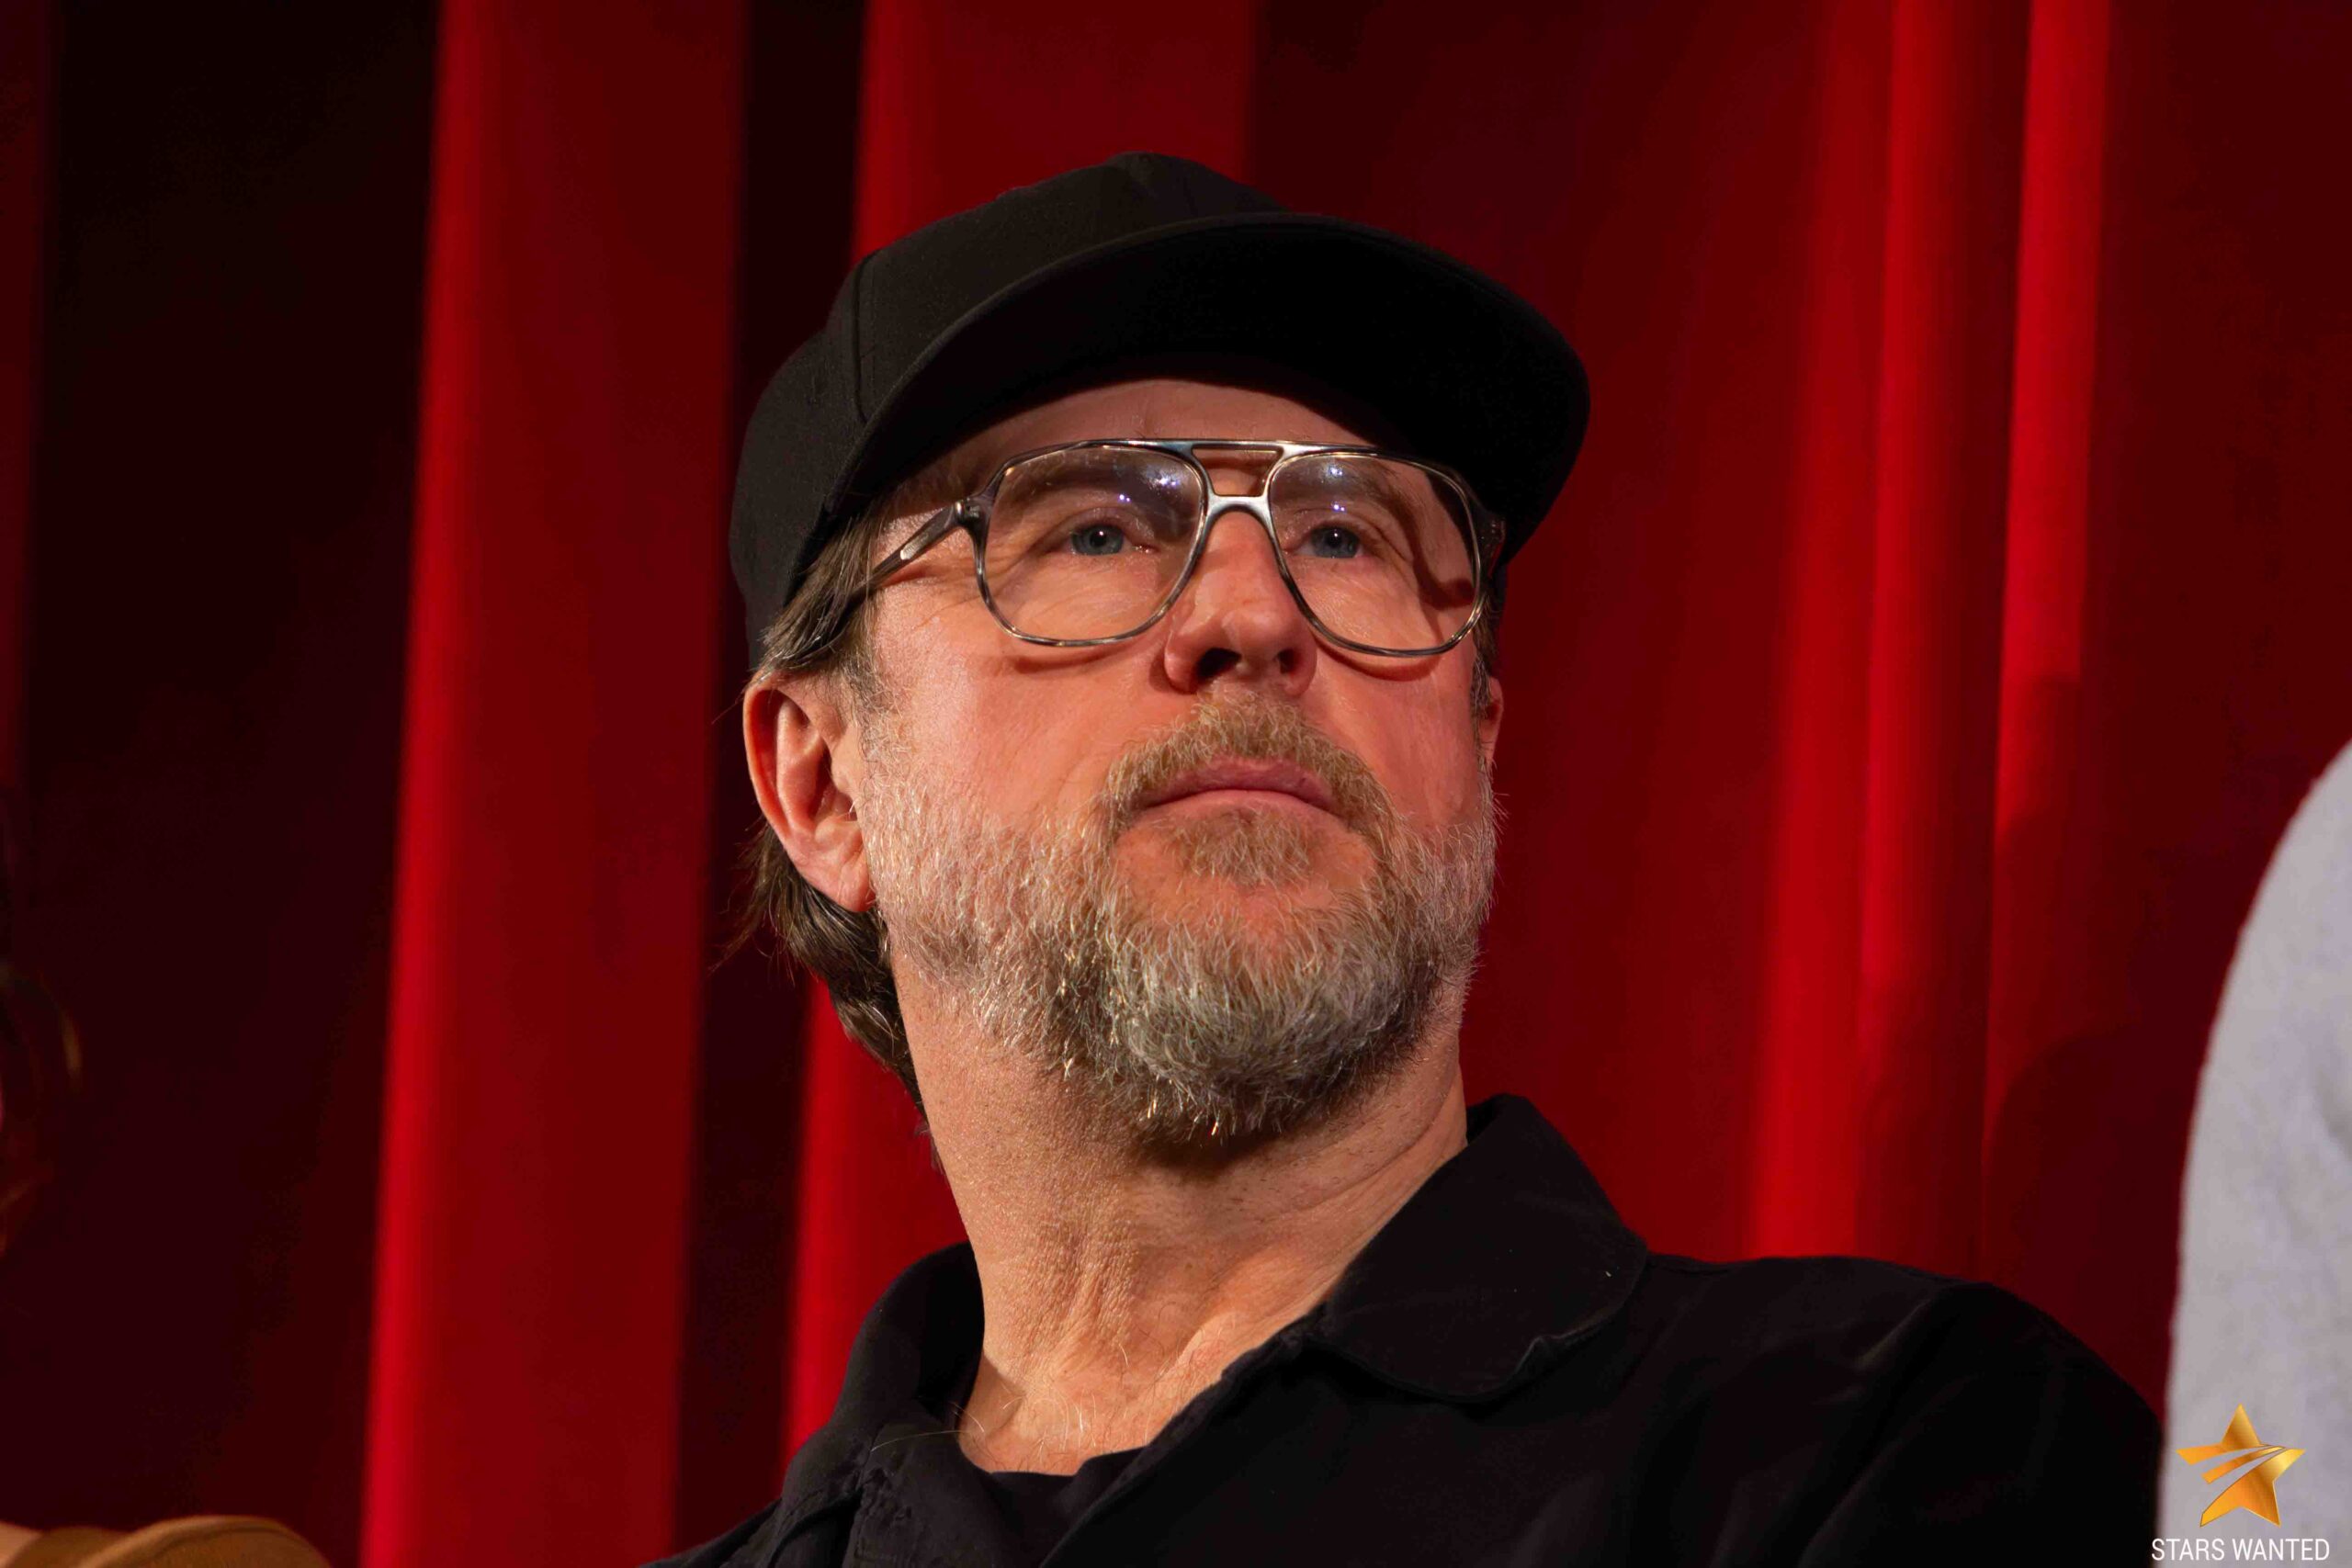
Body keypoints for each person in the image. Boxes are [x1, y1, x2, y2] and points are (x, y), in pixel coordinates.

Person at [665, 152, 2158, 1567]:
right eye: (1097, 531)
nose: (1258, 614)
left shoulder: (1904, 1449)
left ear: (1475, 735)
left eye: (1346, 536)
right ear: (823, 783)